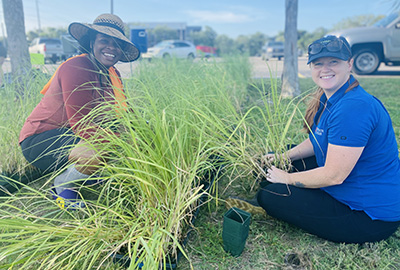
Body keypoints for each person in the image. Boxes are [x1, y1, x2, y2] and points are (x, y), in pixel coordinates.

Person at [227, 35, 400, 244]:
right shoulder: (333, 97)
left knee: (271, 194)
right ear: (311, 67)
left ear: (349, 64)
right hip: (352, 181)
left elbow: (334, 175)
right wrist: (282, 156)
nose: (325, 69)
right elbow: (316, 141)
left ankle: (267, 201)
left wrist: (288, 178)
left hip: (368, 216)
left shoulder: (354, 107)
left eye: (333, 62)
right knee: (285, 157)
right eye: (318, 63)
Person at [19, 14, 140, 209]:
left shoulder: (112, 74)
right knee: (99, 150)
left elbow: (123, 111)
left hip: (70, 135)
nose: (111, 47)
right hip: (41, 139)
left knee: (127, 137)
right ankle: (62, 185)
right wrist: (123, 142)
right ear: (91, 42)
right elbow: (82, 124)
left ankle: (84, 172)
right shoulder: (76, 67)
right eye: (104, 40)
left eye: (117, 44)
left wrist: (140, 132)